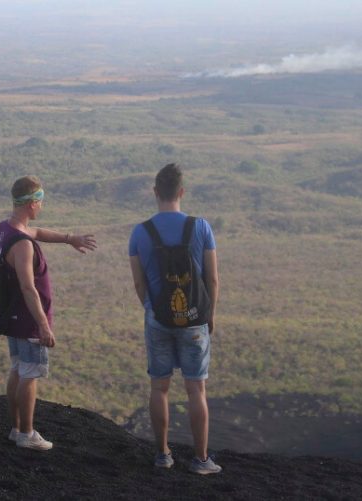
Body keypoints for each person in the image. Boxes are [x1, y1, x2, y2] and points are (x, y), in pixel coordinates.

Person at [128, 163, 221, 474]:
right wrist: (209, 314)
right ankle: (201, 459)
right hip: (195, 319)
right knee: (196, 390)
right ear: (182, 192)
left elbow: (139, 283)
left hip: (158, 319)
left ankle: (163, 454)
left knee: (160, 387)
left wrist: (152, 309)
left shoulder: (140, 232)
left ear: (155, 193)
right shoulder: (201, 227)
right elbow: (212, 279)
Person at [0, 175, 97, 451]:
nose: (41, 207)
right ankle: (27, 434)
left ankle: (16, 429)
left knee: (18, 368)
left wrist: (68, 239)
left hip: (12, 316)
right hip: (28, 319)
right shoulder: (22, 244)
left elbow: (37, 233)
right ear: (31, 204)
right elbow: (29, 287)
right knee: (29, 373)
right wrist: (43, 325)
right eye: (40, 202)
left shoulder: (5, 229)